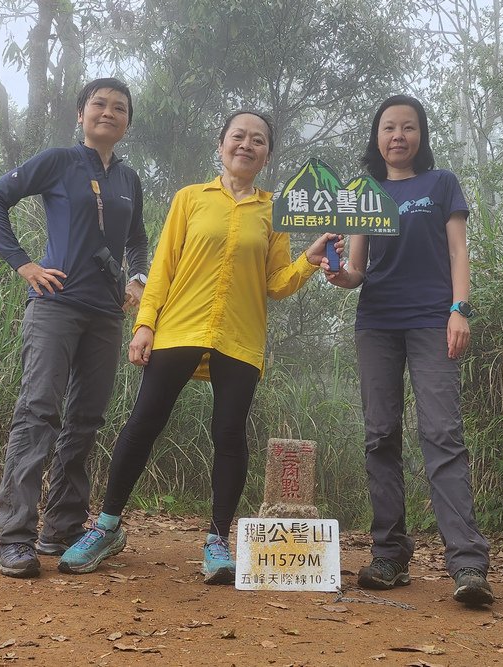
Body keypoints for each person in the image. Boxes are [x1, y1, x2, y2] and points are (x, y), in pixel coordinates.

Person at [57, 110, 341, 584]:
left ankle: (216, 541)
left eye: (257, 140)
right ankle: (105, 527)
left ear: (267, 154)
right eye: (238, 137)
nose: (246, 146)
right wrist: (145, 323)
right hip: (179, 328)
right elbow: (163, 265)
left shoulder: (275, 211)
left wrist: (309, 262)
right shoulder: (190, 198)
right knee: (143, 422)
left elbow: (275, 284)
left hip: (240, 337)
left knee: (229, 433)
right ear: (221, 143)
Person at [0, 77, 149, 578]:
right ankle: (14, 538)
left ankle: (63, 527)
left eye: (119, 108)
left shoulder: (129, 179)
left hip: (105, 315)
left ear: (127, 122)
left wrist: (137, 279)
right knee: (38, 412)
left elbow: (137, 236)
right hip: (55, 304)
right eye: (99, 104)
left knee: (85, 420)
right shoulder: (58, 160)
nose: (108, 113)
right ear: (81, 114)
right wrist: (24, 264)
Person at [326, 95, 494, 605]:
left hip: (431, 321)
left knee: (442, 433)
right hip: (376, 322)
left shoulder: (441, 184)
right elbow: (357, 270)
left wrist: (459, 308)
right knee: (380, 436)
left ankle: (467, 565)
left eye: (408, 127)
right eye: (388, 128)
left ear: (421, 135)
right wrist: (338, 275)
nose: (398, 136)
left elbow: (458, 251)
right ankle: (390, 555)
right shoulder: (363, 192)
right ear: (376, 138)